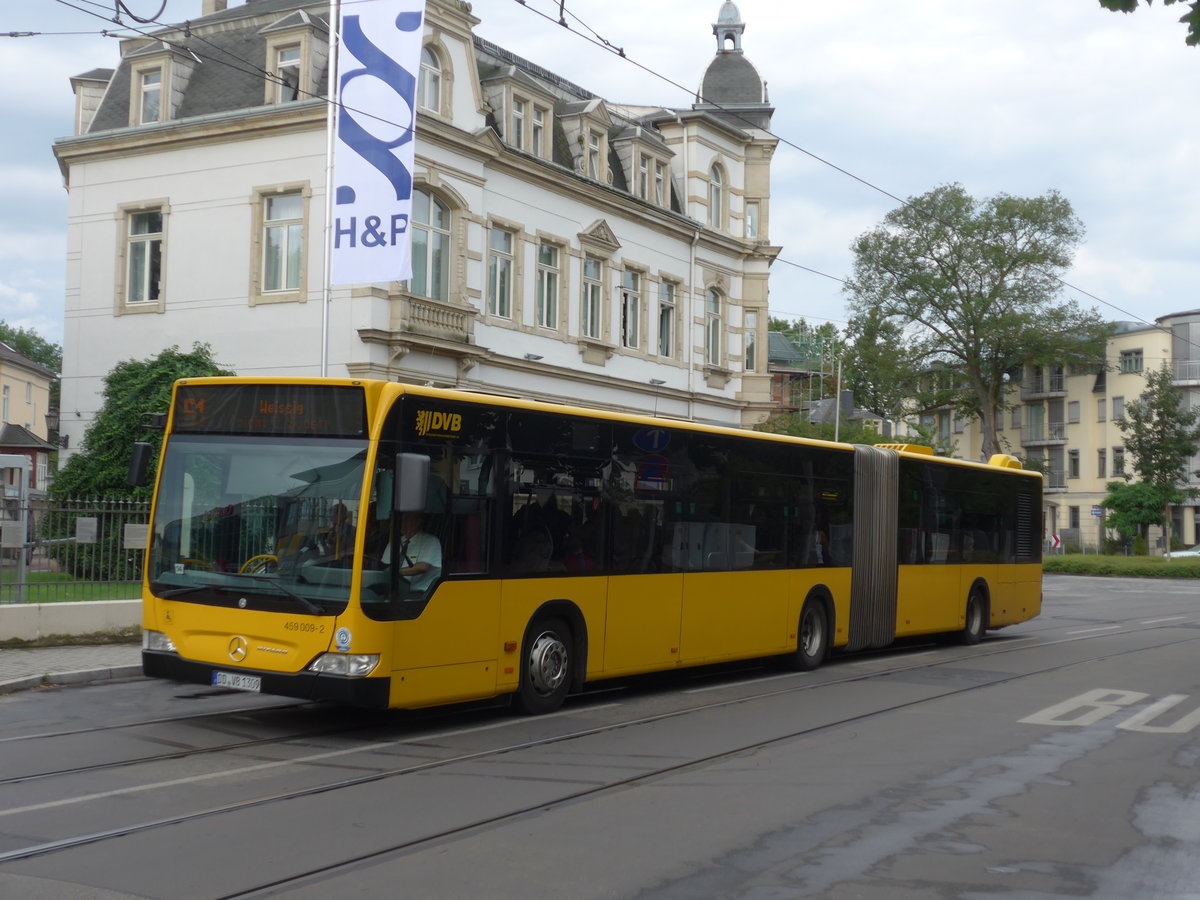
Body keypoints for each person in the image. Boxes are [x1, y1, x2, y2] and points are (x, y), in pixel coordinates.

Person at [391, 512, 442, 597]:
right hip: (395, 591)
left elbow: (422, 567)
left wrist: (393, 573)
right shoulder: (394, 543)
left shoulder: (430, 541)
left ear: (418, 522)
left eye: (406, 519)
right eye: (401, 520)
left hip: (420, 594)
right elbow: (384, 566)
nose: (402, 523)